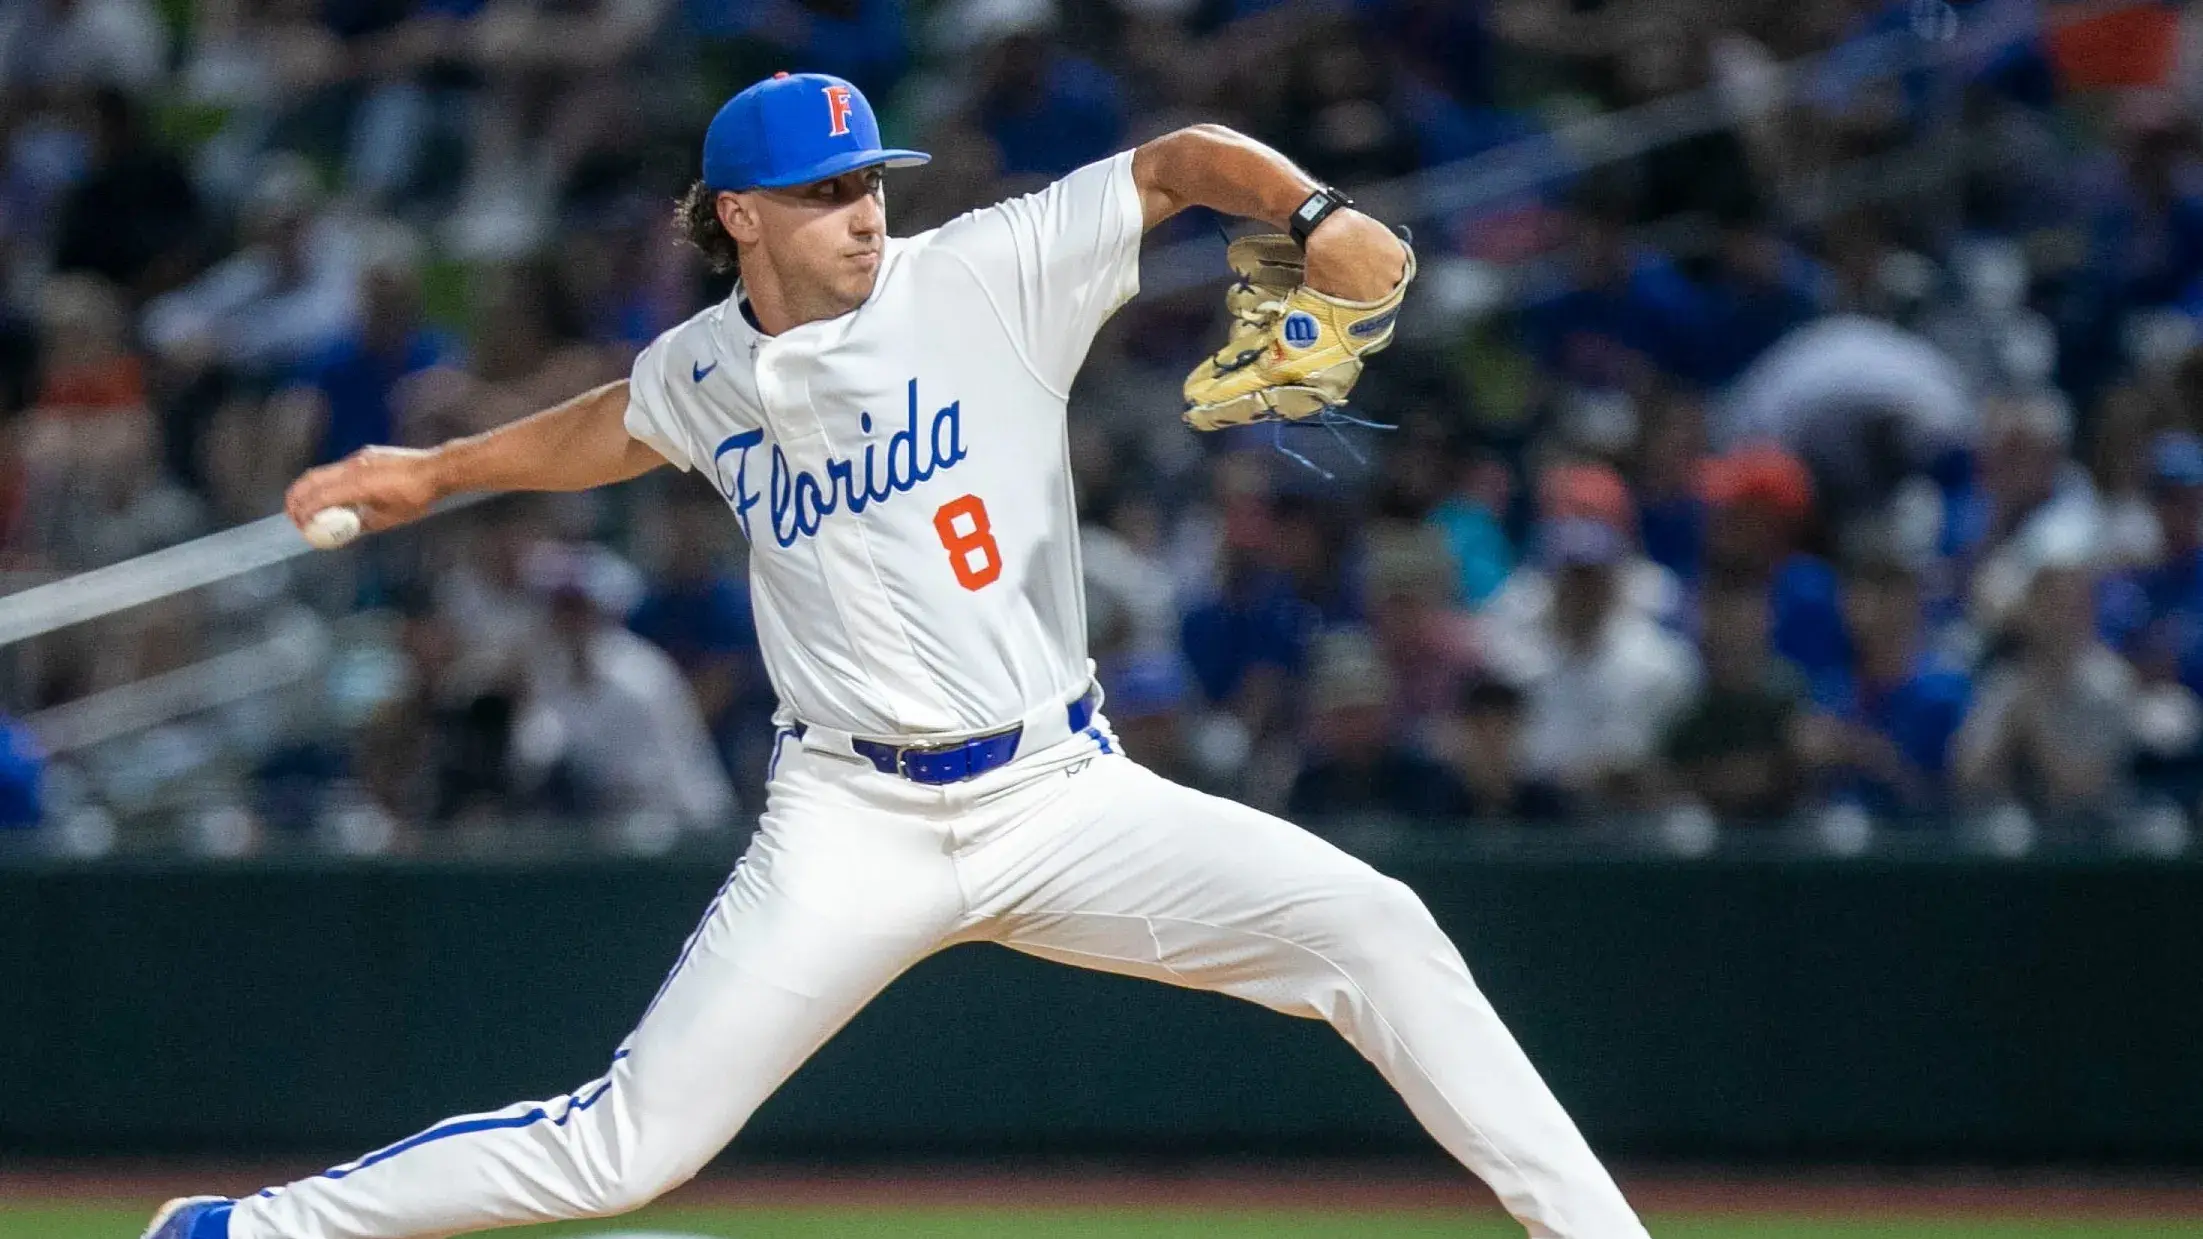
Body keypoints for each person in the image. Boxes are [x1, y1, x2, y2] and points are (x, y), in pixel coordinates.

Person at [147, 72, 1648, 1239]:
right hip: (848, 821)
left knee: (1374, 925)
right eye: (822, 191)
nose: (864, 211)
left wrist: (1317, 211)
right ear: (739, 214)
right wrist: (436, 472)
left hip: (1062, 792)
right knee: (626, 1146)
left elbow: (1179, 161)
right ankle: (240, 1228)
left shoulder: (985, 271)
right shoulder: (704, 367)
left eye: (870, 179)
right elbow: (609, 422)